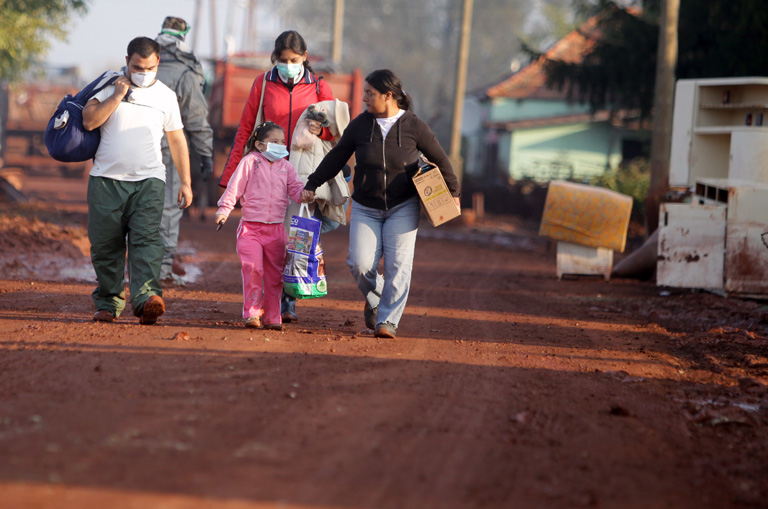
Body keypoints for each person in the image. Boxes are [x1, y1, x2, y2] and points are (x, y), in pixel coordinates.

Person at [301, 69, 460, 339]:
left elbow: (440, 158)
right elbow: (338, 157)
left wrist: (453, 191)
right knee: (359, 264)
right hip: (366, 206)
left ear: (388, 96)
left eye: (369, 93)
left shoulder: (413, 126)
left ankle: (387, 321)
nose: (363, 98)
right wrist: (312, 183)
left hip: (404, 205)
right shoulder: (361, 124)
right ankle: (377, 297)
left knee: (399, 265)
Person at [219, 30, 336, 324]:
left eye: (294, 60)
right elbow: (246, 129)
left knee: (293, 237)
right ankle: (265, 303)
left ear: (304, 58)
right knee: (271, 238)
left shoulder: (319, 87)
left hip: (302, 172)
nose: (288, 65)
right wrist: (232, 174)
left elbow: (337, 132)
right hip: (265, 170)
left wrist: (320, 131)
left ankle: (287, 301)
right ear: (275, 59)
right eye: (283, 60)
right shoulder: (263, 83)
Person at [83, 36, 192, 324]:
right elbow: (89, 120)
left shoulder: (166, 96)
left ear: (158, 63)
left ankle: (146, 300)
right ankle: (108, 302)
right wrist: (118, 95)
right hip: (106, 181)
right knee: (106, 245)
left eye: (149, 68)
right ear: (127, 61)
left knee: (147, 242)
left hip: (149, 181)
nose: (143, 73)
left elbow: (177, 139)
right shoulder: (108, 85)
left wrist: (186, 182)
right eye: (137, 67)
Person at [215, 122, 304, 330]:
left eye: (282, 142)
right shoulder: (249, 162)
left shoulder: (287, 167)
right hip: (250, 229)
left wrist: (307, 194)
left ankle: (273, 317)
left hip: (276, 231)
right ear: (260, 145)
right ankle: (252, 314)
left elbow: (297, 190)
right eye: (274, 142)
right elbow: (233, 189)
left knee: (275, 277)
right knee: (252, 270)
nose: (280, 146)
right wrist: (224, 211)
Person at [155, 16, 214, 283]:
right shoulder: (186, 71)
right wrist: (205, 154)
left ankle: (135, 265)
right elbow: (196, 121)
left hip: (131, 148)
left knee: (134, 208)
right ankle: (162, 268)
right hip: (168, 149)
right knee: (167, 207)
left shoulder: (138, 62)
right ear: (183, 37)